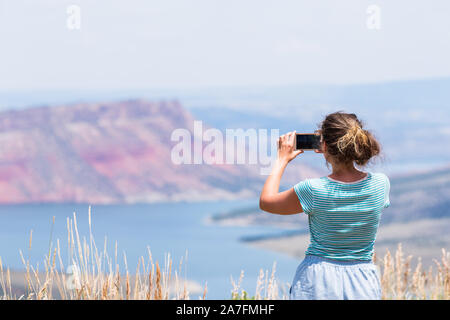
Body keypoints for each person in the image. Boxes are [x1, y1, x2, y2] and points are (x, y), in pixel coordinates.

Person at [259, 111, 390, 300]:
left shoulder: (313, 189)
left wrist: (281, 160)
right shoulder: (380, 184)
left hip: (317, 281)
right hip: (363, 281)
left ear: (324, 146)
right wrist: (330, 149)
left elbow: (266, 202)